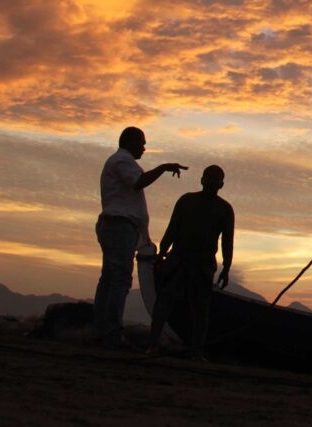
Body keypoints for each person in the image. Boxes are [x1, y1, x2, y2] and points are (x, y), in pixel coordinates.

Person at [93, 127, 187, 349]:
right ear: (130, 141)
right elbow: (138, 182)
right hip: (119, 227)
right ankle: (113, 334)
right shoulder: (122, 161)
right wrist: (163, 168)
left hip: (118, 227)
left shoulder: (120, 162)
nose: (144, 148)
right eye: (142, 143)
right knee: (119, 280)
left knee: (109, 279)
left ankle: (102, 331)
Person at [147, 165, 235, 359]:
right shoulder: (186, 201)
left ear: (221, 184)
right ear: (202, 180)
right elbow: (172, 229)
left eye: (216, 179)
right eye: (209, 177)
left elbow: (227, 242)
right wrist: (162, 253)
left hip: (203, 263)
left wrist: (226, 267)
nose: (212, 182)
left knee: (200, 308)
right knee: (164, 302)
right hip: (178, 258)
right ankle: (153, 344)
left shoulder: (225, 210)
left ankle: (197, 351)